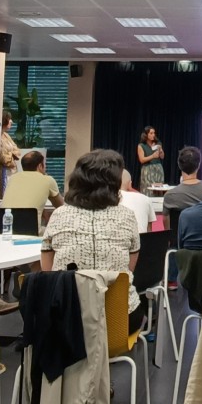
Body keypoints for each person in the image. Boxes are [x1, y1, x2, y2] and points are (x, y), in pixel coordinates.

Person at [40, 149, 143, 331]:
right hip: (119, 322)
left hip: (66, 324)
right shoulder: (127, 216)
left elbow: (48, 272)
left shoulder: (59, 215)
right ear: (115, 182)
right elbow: (128, 269)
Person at [162, 146, 202, 228]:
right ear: (199, 165)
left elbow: (167, 229)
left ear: (179, 165)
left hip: (180, 240)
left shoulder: (169, 196)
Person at [119, 169, 156, 234]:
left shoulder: (106, 199)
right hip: (142, 241)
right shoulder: (146, 199)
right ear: (130, 184)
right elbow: (149, 230)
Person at [137, 126, 165, 192]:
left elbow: (162, 157)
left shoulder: (158, 143)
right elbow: (142, 160)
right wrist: (152, 156)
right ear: (146, 134)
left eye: (154, 133)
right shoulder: (141, 145)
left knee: (159, 189)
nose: (153, 135)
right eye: (151, 133)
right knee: (148, 189)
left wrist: (160, 150)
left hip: (158, 168)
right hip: (147, 169)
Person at [0, 111, 21, 195]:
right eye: (9, 119)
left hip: (12, 172)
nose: (11, 121)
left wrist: (10, 154)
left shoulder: (6, 135)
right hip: (3, 172)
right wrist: (12, 155)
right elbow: (4, 159)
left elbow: (17, 151)